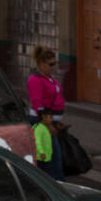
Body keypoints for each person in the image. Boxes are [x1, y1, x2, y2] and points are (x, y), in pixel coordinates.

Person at [26, 47, 65, 181]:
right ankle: (55, 184)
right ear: (41, 64)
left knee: (50, 155)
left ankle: (50, 182)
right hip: (42, 123)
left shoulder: (49, 78)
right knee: (52, 157)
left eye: (55, 64)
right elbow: (38, 105)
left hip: (50, 121)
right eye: (51, 64)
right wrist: (48, 125)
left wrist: (57, 120)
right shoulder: (35, 80)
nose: (53, 67)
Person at [32, 106, 62, 181]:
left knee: (46, 175)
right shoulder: (39, 128)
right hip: (41, 158)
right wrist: (41, 152)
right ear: (44, 117)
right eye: (50, 117)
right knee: (45, 175)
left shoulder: (44, 128)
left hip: (46, 157)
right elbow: (37, 141)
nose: (51, 120)